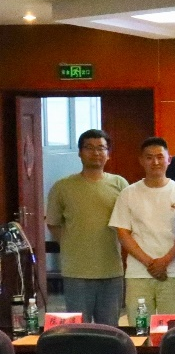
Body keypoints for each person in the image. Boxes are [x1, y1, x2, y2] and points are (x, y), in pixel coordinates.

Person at [46, 129, 128, 324]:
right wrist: (73, 244)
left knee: (109, 329)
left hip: (111, 271)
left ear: (108, 153)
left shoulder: (120, 184)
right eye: (89, 148)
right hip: (76, 272)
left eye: (101, 148)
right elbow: (54, 224)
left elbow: (129, 224)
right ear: (80, 153)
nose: (96, 152)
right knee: (79, 329)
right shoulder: (62, 187)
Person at [109, 137, 175, 324]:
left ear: (169, 159)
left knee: (174, 329)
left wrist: (165, 261)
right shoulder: (128, 193)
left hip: (174, 272)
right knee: (139, 328)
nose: (155, 162)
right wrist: (150, 263)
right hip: (138, 273)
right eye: (149, 157)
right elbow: (123, 233)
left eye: (160, 157)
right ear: (141, 160)